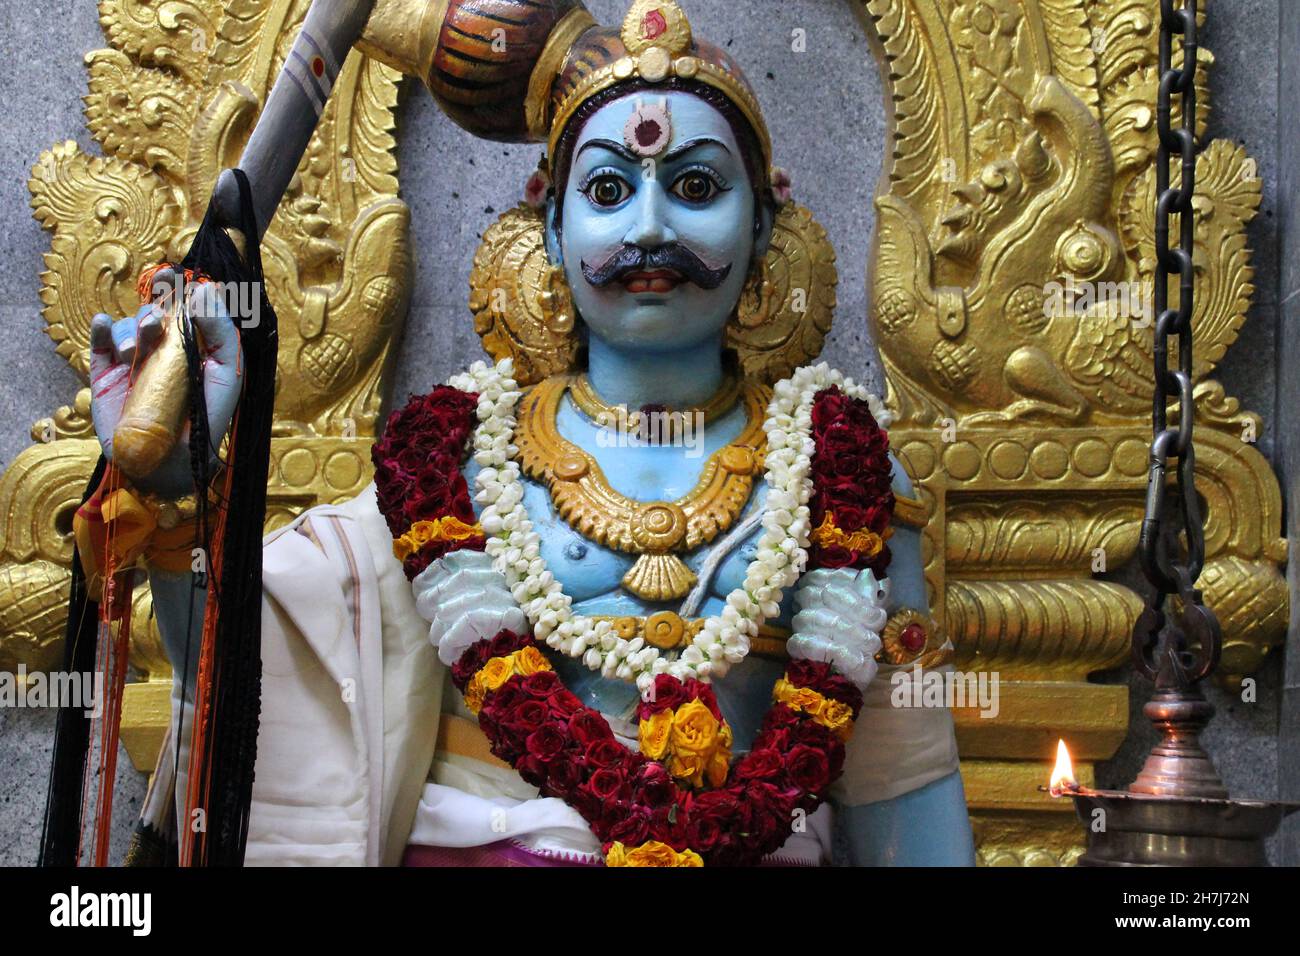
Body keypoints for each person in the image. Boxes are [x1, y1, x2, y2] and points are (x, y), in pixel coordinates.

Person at [87, 0, 975, 866]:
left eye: (697, 186)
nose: (652, 226)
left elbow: (904, 787)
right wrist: (179, 491)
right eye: (608, 189)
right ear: (550, 224)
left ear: (767, 220)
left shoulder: (840, 473)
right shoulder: (463, 463)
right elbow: (261, 683)